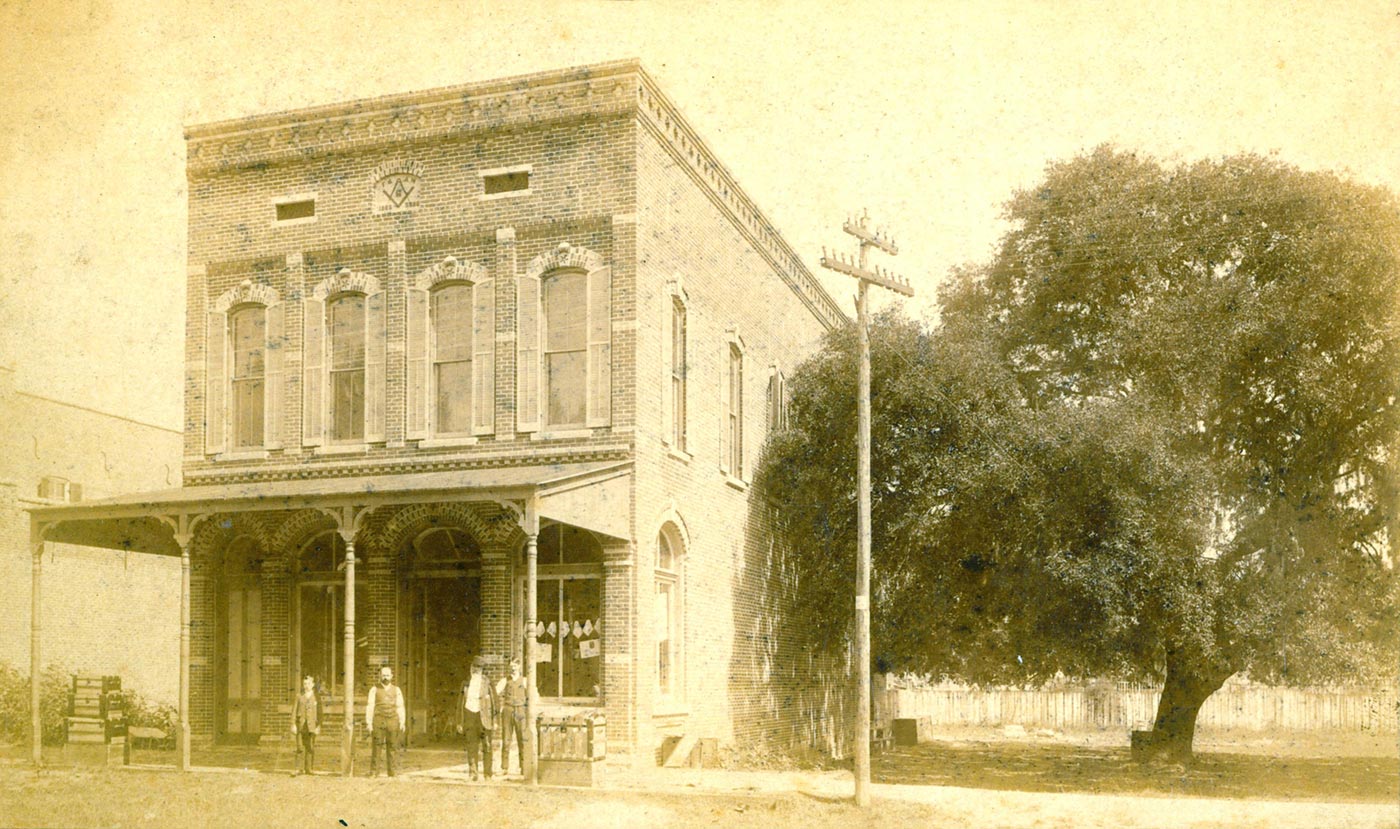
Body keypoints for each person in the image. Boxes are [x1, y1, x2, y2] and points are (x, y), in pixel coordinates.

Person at [456, 656, 498, 780]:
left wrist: (495, 721)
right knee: (471, 746)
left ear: (482, 669)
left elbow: (495, 702)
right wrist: (459, 722)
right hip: (470, 717)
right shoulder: (465, 683)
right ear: (471, 667)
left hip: (484, 718)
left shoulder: (488, 682)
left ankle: (487, 774)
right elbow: (459, 704)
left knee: (487, 746)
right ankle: (473, 773)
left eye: (479, 668)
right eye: (474, 667)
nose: (476, 670)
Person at [365, 666, 405, 777]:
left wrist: (402, 721)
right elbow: (370, 706)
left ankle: (392, 771)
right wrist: (369, 722)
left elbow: (400, 706)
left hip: (393, 720)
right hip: (379, 720)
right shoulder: (374, 689)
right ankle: (374, 771)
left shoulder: (397, 690)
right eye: (383, 675)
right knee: (377, 746)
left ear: (391, 676)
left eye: (387, 675)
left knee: (392, 746)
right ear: (380, 676)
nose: (385, 677)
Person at [496, 657, 528, 776]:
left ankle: (524, 767)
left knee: (522, 739)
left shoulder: (525, 681)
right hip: (508, 710)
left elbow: (533, 695)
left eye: (514, 666)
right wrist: (500, 707)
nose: (512, 669)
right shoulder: (505, 680)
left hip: (520, 711)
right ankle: (504, 767)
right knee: (506, 740)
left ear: (519, 666)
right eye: (511, 666)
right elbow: (495, 693)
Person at [290, 675, 320, 776]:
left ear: (313, 685)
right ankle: (298, 769)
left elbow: (320, 713)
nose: (306, 686)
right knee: (299, 747)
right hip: (301, 725)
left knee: (310, 747)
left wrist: (318, 726)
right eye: (304, 684)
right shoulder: (299, 696)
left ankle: (309, 769)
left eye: (308, 684)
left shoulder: (316, 697)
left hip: (311, 726)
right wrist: (293, 724)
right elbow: (294, 711)